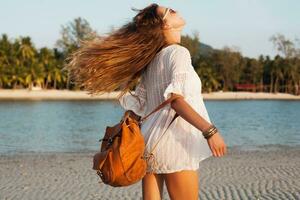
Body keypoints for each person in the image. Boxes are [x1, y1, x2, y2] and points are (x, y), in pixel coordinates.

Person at [66, 3, 227, 200]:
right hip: (174, 143)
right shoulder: (178, 53)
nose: (175, 9)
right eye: (170, 12)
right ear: (164, 26)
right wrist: (210, 131)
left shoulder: (152, 61)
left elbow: (140, 106)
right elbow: (175, 100)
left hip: (149, 142)